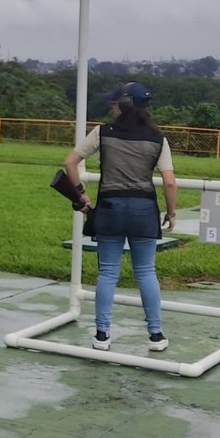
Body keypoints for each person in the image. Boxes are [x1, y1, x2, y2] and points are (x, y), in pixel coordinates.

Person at [62, 81, 177, 352]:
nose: (111, 108)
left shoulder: (102, 133)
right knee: (146, 272)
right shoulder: (157, 139)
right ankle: (156, 335)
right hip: (144, 211)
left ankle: (102, 335)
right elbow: (169, 182)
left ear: (124, 105)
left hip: (110, 209)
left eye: (114, 103)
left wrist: (80, 194)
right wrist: (171, 212)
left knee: (108, 272)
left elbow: (69, 162)